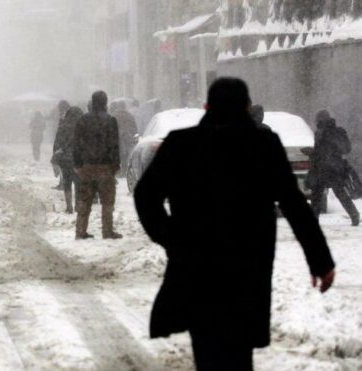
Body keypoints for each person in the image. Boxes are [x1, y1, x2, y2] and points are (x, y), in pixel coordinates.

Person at [135, 78, 336, 371]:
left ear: (206, 107)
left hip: (196, 264)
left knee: (206, 342)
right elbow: (294, 205)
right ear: (247, 107)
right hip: (248, 265)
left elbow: (145, 195)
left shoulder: (182, 144)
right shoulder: (263, 145)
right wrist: (320, 260)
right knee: (239, 349)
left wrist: (171, 238)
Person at [73, 91, 122, 240]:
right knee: (107, 201)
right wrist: (115, 165)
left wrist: (78, 164)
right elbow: (114, 145)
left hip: (86, 166)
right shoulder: (110, 120)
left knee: (85, 200)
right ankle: (107, 231)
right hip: (105, 167)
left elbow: (76, 144)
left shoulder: (82, 120)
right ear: (105, 103)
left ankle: (80, 231)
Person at [309, 110, 360, 226]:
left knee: (338, 193)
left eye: (319, 120)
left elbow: (346, 148)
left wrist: (331, 144)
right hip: (321, 167)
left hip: (333, 168)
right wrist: (311, 153)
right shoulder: (319, 133)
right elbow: (318, 151)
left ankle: (354, 215)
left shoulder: (338, 132)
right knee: (317, 195)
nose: (318, 122)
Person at [53, 106, 83, 214]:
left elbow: (57, 142)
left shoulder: (63, 125)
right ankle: (78, 206)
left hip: (64, 158)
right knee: (78, 182)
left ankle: (69, 206)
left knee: (67, 181)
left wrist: (55, 156)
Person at [111, 101, 139, 177]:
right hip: (128, 138)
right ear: (124, 106)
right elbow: (134, 127)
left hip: (117, 138)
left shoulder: (113, 115)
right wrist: (134, 136)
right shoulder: (130, 115)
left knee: (119, 154)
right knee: (126, 154)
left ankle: (120, 170)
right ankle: (125, 169)